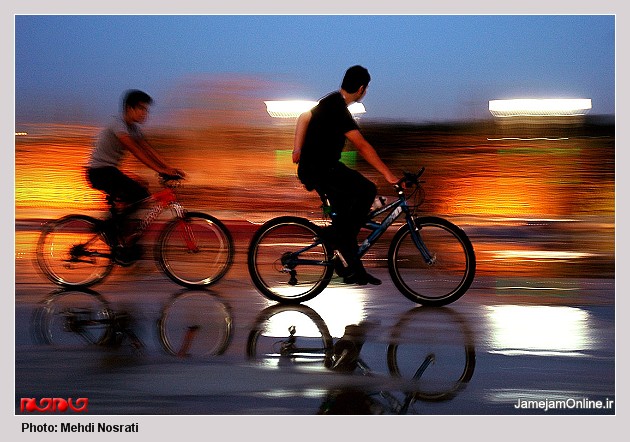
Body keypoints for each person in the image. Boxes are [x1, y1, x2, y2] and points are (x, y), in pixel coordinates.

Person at [292, 66, 399, 285]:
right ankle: (336, 241)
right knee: (367, 190)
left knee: (346, 217)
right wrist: (389, 175)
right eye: (366, 89)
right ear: (361, 89)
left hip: (319, 168)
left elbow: (304, 117)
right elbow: (362, 145)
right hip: (322, 170)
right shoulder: (339, 110)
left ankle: (349, 266)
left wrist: (297, 149)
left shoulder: (331, 101)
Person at [86, 89, 185, 262]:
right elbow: (136, 150)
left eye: (146, 110)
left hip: (110, 170)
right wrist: (160, 170)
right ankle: (109, 229)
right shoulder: (118, 125)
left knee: (141, 191)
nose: (145, 113)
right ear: (129, 109)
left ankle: (116, 230)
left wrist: (169, 167)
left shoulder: (134, 129)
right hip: (99, 172)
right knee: (139, 194)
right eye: (141, 109)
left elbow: (148, 149)